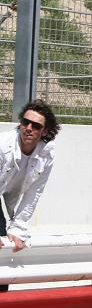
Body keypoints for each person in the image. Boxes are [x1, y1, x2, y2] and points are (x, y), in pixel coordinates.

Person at [0, 99, 60, 254]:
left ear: (45, 131)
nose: (28, 128)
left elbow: (33, 194)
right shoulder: (2, 146)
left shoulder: (46, 155)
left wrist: (17, 229)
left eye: (36, 126)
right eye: (25, 122)